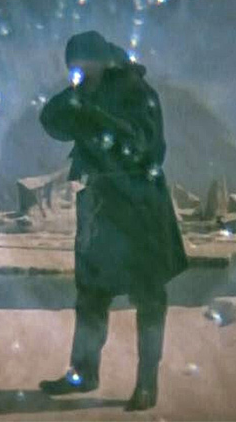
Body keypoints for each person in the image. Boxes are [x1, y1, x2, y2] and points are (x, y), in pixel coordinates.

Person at [37, 31, 188, 411]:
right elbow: (50, 120)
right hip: (101, 206)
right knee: (91, 293)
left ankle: (147, 383)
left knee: (148, 295)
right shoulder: (85, 93)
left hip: (139, 206)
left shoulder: (137, 92)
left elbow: (145, 148)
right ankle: (83, 372)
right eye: (73, 67)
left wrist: (93, 114)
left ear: (102, 60)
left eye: (83, 64)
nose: (78, 72)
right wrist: (78, 96)